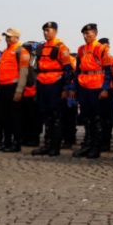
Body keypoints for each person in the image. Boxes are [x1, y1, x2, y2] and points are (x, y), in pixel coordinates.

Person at [32, 22, 74, 157]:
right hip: (42, 84)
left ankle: (55, 147)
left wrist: (66, 88)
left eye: (48, 30)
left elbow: (68, 70)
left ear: (55, 32)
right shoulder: (41, 47)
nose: (45, 33)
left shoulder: (61, 48)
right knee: (46, 116)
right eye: (44, 30)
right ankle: (47, 144)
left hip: (56, 84)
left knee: (56, 117)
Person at [71, 24, 113, 159]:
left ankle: (96, 148)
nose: (85, 36)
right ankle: (87, 146)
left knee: (97, 119)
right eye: (84, 34)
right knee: (86, 118)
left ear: (95, 33)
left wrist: (105, 89)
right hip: (84, 87)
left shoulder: (101, 49)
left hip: (97, 88)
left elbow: (108, 70)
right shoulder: (81, 49)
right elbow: (77, 70)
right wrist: (74, 87)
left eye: (88, 33)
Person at [0, 28, 30, 153]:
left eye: (10, 37)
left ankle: (16, 143)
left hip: (13, 87)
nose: (7, 39)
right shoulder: (5, 51)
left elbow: (24, 72)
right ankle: (6, 142)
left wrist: (19, 90)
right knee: (4, 117)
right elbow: (0, 72)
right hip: (3, 87)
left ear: (16, 38)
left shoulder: (21, 50)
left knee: (15, 117)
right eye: (6, 36)